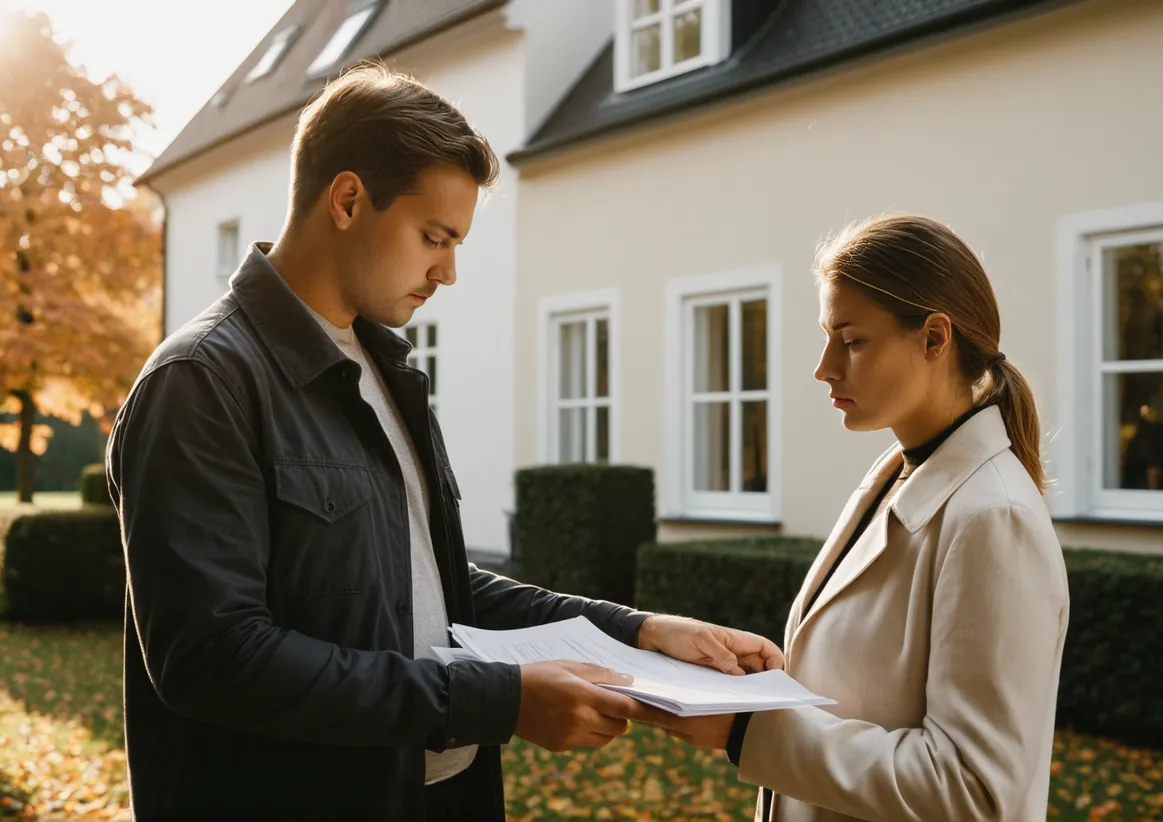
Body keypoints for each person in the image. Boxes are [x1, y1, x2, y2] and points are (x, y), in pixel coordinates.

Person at [105, 63, 782, 822]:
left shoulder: (385, 369)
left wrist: (641, 632)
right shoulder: (201, 382)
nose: (449, 272)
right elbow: (213, 659)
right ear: (348, 200)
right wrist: (496, 700)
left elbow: (435, 587)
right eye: (434, 237)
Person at [647, 214, 1070, 822]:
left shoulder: (992, 519)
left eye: (851, 341)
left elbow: (974, 793)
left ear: (934, 339)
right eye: (829, 337)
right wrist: (767, 687)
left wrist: (748, 731)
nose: (824, 367)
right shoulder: (897, 477)